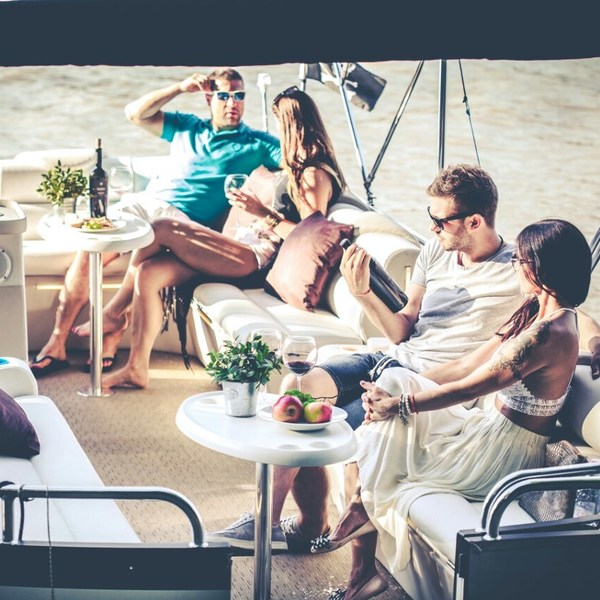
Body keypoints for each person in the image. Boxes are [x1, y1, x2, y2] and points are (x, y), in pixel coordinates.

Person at [211, 164, 600, 553]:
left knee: (334, 425)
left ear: (475, 221)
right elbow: (401, 329)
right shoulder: (434, 251)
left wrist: (597, 342)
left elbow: (568, 309)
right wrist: (362, 293)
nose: (431, 227)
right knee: (298, 387)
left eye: (440, 221)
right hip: (390, 359)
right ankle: (286, 521)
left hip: (428, 380)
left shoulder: (520, 267)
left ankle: (304, 529)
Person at [310, 218, 591, 600]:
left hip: (500, 453)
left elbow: (473, 386)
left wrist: (400, 405)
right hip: (484, 427)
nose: (514, 265)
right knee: (395, 379)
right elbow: (471, 366)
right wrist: (396, 392)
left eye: (520, 259)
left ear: (541, 268)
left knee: (389, 420)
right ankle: (362, 523)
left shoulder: (548, 335)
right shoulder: (535, 312)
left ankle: (362, 523)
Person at [87, 85, 346, 389]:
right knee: (149, 272)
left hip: (255, 260)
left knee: (160, 227)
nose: (276, 129)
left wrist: (262, 213)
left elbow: (308, 236)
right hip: (244, 246)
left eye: (278, 122)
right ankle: (136, 368)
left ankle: (114, 312)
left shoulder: (314, 174)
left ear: (290, 124)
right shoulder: (296, 166)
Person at [29, 68, 281, 378]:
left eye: (239, 95)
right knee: (90, 248)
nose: (233, 103)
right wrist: (180, 87)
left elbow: (300, 159)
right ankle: (57, 343)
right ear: (208, 98)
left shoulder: (257, 143)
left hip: (180, 223)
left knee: (150, 234)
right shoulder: (187, 126)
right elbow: (135, 113)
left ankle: (113, 319)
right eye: (224, 95)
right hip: (146, 202)